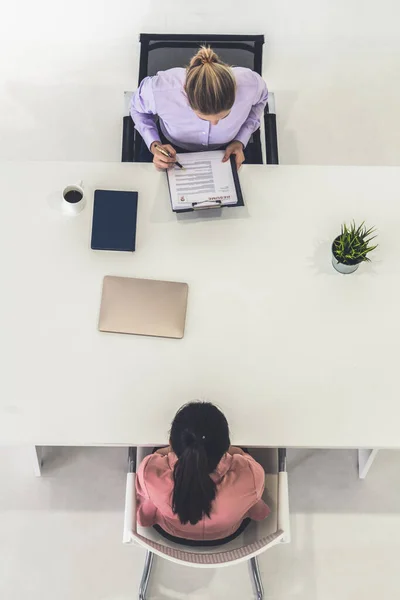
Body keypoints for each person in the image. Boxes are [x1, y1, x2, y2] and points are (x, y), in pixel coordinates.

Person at [136, 402, 270, 546]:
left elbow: (144, 516)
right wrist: (238, 453)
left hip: (173, 532)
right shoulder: (251, 476)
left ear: (171, 443)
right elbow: (259, 514)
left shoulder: (150, 473)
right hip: (225, 534)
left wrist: (162, 453)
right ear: (227, 445)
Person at [130, 46, 268, 170]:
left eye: (224, 116)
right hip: (172, 149)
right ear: (186, 95)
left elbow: (261, 101)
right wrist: (154, 145)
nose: (214, 124)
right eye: (202, 117)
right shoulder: (160, 89)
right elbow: (137, 109)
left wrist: (240, 140)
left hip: (229, 149)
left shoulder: (250, 85)